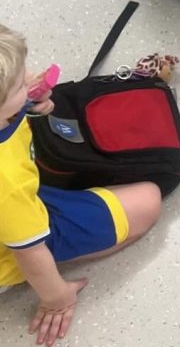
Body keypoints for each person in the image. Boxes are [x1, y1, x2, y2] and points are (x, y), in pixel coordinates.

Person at [0, 24, 161, 347]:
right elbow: (29, 252)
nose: (30, 78)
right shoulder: (7, 186)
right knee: (149, 201)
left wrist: (25, 104)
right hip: (15, 240)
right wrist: (57, 298)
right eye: (19, 85)